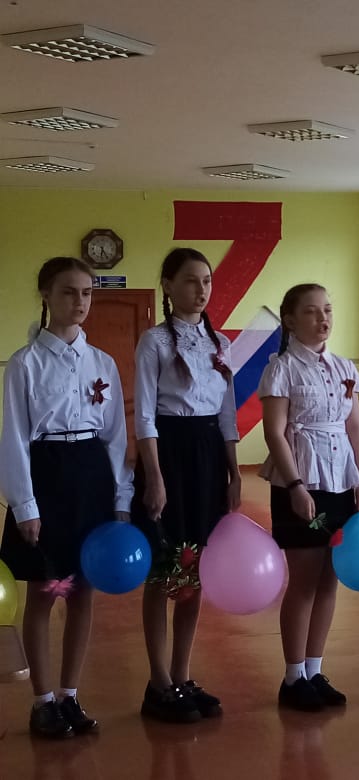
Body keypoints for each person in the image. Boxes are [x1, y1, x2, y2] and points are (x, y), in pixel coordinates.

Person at [0, 257, 134, 738]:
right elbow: (14, 439)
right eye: (68, 292)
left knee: (81, 591)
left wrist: (121, 497)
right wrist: (25, 505)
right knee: (44, 592)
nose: (80, 302)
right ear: (46, 295)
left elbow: (116, 437)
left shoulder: (103, 362)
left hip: (91, 477)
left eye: (87, 293)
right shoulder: (25, 363)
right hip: (47, 477)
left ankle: (70, 696)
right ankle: (42, 702)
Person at [133, 248, 241, 722]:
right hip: (169, 454)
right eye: (192, 281)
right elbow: (144, 416)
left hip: (208, 455)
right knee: (164, 570)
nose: (201, 290)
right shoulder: (154, 342)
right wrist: (154, 477)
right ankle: (158, 683)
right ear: (169, 285)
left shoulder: (221, 343)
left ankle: (182, 674)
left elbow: (226, 414)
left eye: (207, 281)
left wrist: (233, 473)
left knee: (195, 568)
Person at [259, 283, 359, 710]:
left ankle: (314, 670)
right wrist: (295, 485)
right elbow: (275, 432)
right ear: (290, 320)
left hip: (341, 480)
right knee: (304, 582)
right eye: (311, 311)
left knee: (329, 580)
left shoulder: (343, 367)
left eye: (327, 310)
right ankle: (292, 678)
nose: (322, 319)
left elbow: (354, 426)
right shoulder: (282, 368)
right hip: (303, 482)